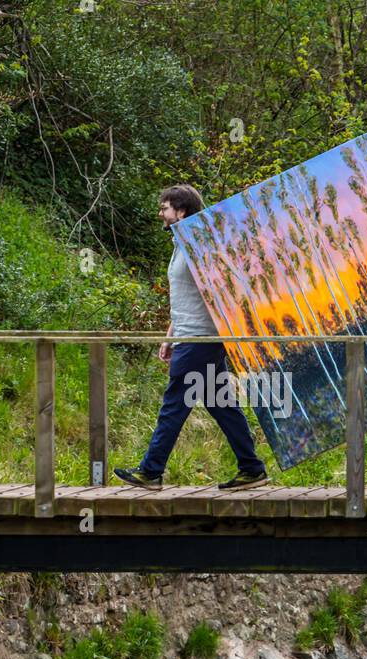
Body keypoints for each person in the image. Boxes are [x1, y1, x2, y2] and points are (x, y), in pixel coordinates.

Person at [114, 184, 268, 490]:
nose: (160, 212)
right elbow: (188, 298)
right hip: (190, 336)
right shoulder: (181, 244)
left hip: (201, 339)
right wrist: (169, 336)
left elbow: (222, 292)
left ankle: (150, 471)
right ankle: (252, 468)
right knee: (220, 403)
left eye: (164, 207)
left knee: (174, 404)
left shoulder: (200, 245)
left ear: (181, 211)